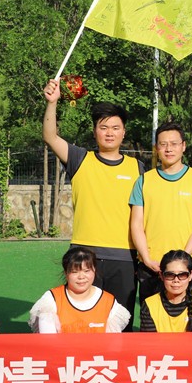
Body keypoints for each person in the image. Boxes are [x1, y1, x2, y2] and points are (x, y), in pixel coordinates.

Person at [43, 80, 144, 328]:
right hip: (85, 255)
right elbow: (50, 136)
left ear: (124, 132)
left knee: (120, 323)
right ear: (95, 131)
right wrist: (52, 103)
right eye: (103, 127)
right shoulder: (79, 159)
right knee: (80, 322)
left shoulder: (138, 168)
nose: (109, 133)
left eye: (115, 128)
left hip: (124, 257)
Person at [129, 121, 192, 304]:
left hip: (188, 266)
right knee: (151, 319)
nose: (168, 149)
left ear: (183, 146)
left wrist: (181, 260)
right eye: (163, 144)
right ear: (156, 148)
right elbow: (136, 224)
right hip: (152, 266)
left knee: (189, 318)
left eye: (174, 144)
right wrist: (147, 258)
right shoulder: (143, 181)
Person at [28, 247, 130, 333]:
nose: (81, 277)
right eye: (75, 272)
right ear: (66, 273)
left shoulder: (108, 301)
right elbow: (48, 342)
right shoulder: (51, 299)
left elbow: (112, 343)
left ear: (94, 270)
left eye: (86, 271)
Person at [139, 249, 192, 332]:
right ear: (161, 275)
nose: (176, 280)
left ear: (191, 275)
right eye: (170, 275)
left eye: (182, 275)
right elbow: (150, 339)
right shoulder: (149, 304)